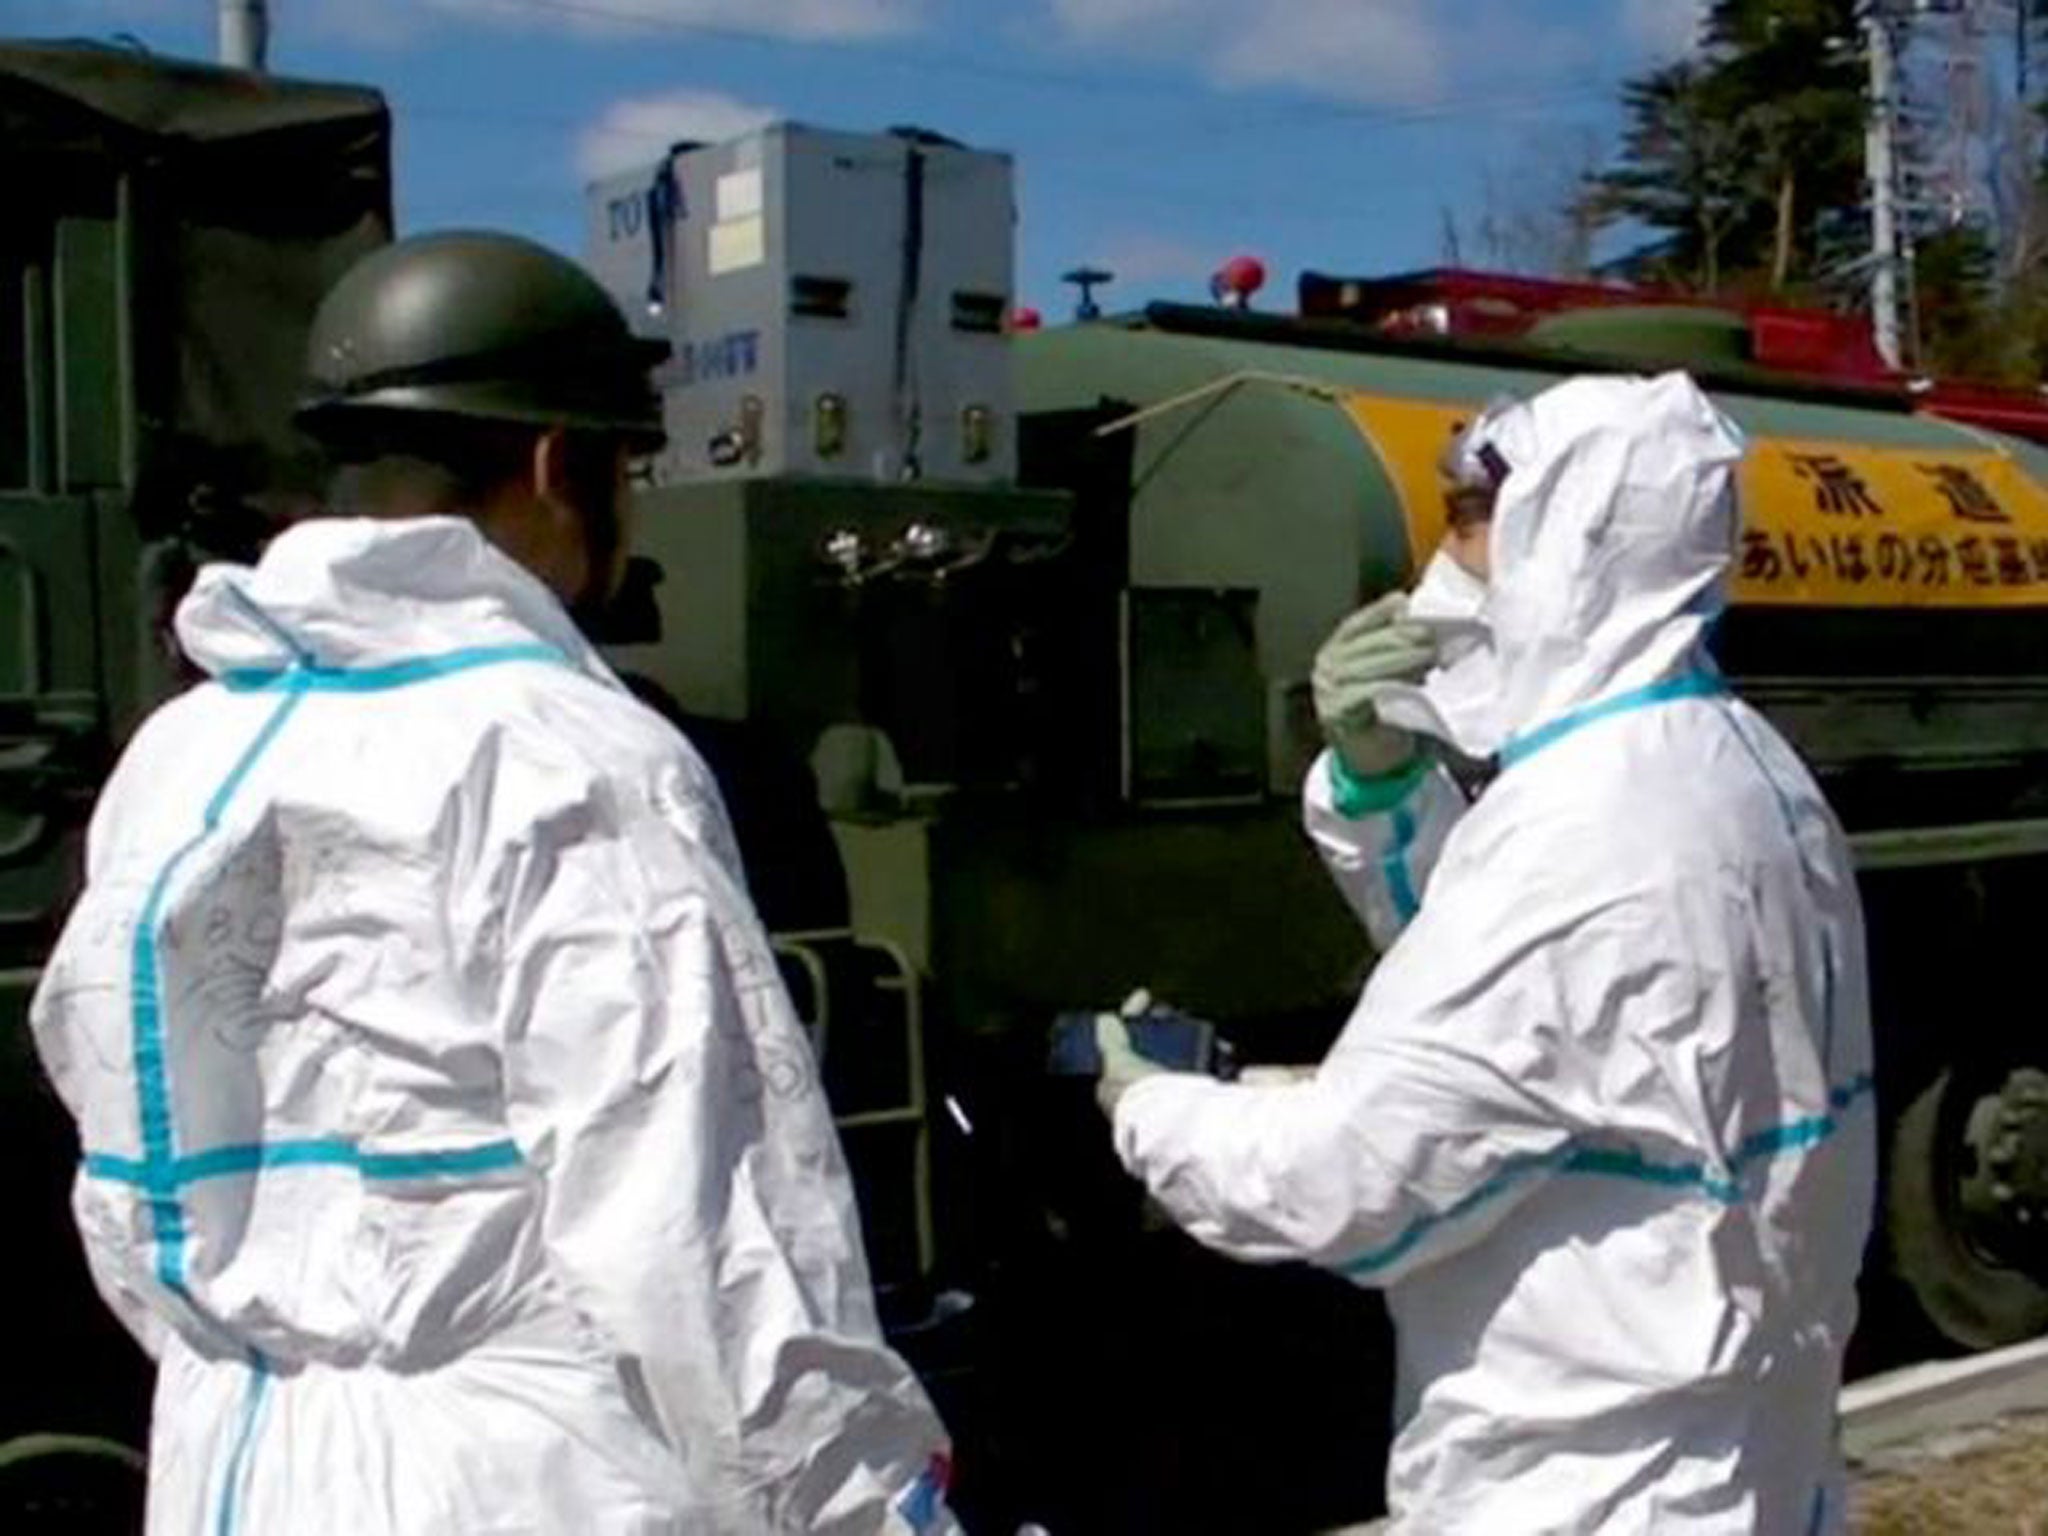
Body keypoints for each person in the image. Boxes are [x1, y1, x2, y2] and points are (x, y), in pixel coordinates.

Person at [30, 230, 957, 1536]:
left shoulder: (182, 754)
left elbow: (118, 1155)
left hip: (233, 1454)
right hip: (527, 1475)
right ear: (555, 463)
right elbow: (692, 1231)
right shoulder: (566, 753)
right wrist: (862, 1508)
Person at [1094, 372, 1875, 1533]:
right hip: (1737, 1453)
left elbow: (1346, 1181)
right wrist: (1381, 787)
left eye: (1474, 535)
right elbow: (1517, 994)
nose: (1445, 584)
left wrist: (1152, 1107)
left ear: (1572, 549)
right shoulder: (1719, 762)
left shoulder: (1583, 840)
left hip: (1587, 1485)